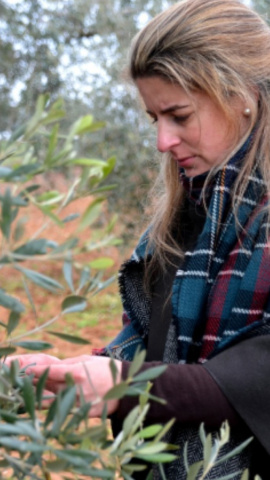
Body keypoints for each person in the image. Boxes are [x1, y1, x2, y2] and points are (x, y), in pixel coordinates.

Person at [7, 0, 270, 477]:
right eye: (155, 119)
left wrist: (126, 385)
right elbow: (156, 342)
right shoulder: (188, 214)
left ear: (241, 95)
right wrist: (78, 376)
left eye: (180, 115)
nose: (162, 142)